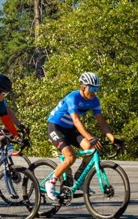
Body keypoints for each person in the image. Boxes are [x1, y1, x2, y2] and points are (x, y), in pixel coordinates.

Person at [43, 72, 117, 201]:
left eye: (96, 89)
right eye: (92, 88)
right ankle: (51, 182)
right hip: (55, 127)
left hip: (69, 129)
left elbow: (101, 122)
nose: (94, 92)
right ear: (83, 87)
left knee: (90, 147)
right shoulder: (73, 97)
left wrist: (112, 138)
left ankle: (79, 176)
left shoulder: (94, 101)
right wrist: (90, 136)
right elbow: (76, 121)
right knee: (70, 157)